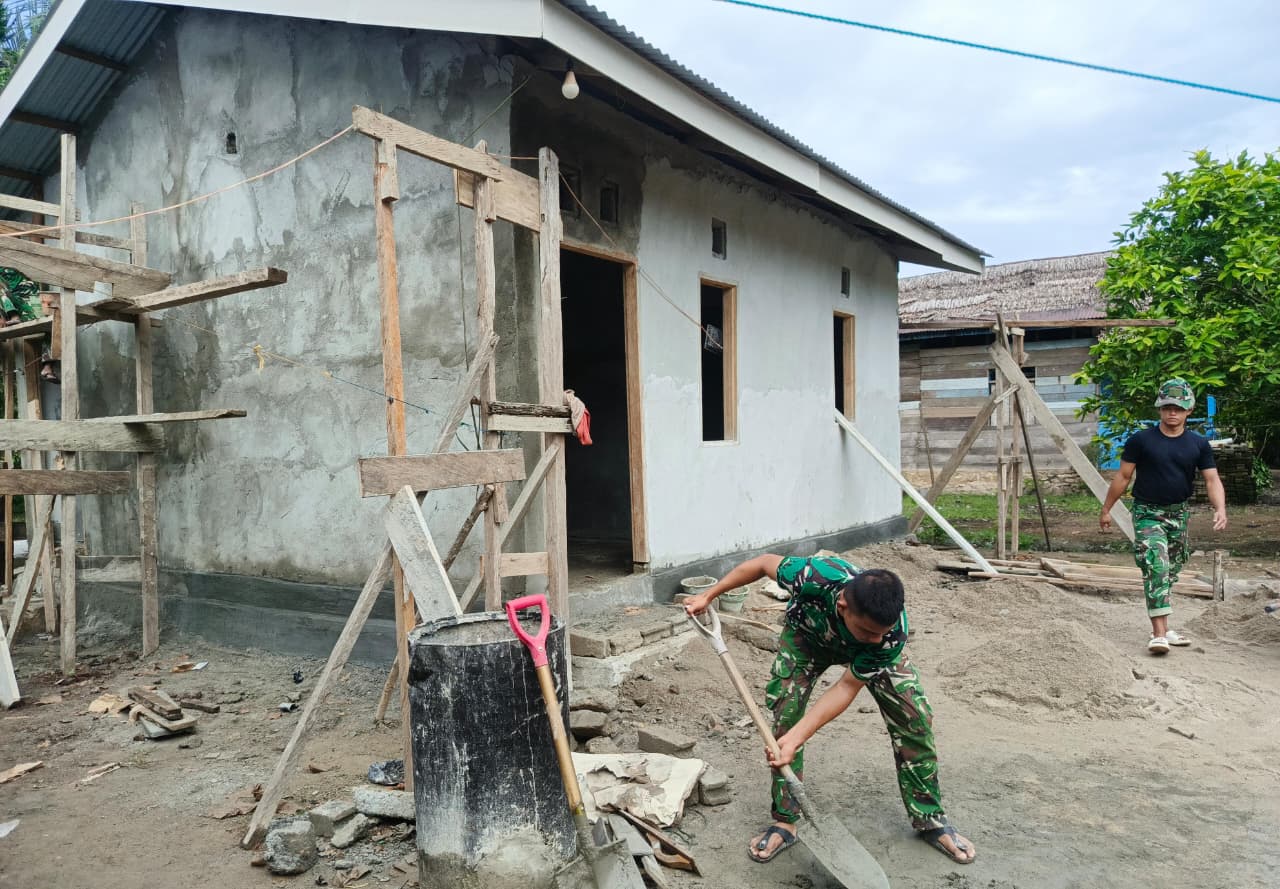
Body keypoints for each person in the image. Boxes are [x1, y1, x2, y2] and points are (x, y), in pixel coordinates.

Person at [683, 553, 976, 865]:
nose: (876, 638)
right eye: (869, 631)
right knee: (785, 721)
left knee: (914, 718)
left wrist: (801, 736)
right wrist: (708, 595)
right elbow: (762, 563)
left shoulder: (889, 636)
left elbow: (847, 686)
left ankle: (930, 818)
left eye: (882, 631)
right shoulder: (813, 576)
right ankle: (785, 820)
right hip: (807, 637)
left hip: (867, 658)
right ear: (843, 606)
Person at [1100, 378, 1227, 655]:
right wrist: (1107, 508)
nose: (1172, 412)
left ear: (1189, 410)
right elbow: (1123, 476)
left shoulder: (1198, 444)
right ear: (1159, 408)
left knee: (1171, 569)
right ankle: (1158, 635)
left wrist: (1220, 508)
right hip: (1147, 513)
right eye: (1168, 407)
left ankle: (1164, 627)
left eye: (1178, 408)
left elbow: (1212, 479)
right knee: (1156, 565)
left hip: (1178, 514)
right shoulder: (1141, 440)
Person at [0, 266, 60, 381]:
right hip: (17, 309)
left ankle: (47, 367)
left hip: (27, 307)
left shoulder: (20, 275)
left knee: (53, 326)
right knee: (51, 326)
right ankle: (14, 316)